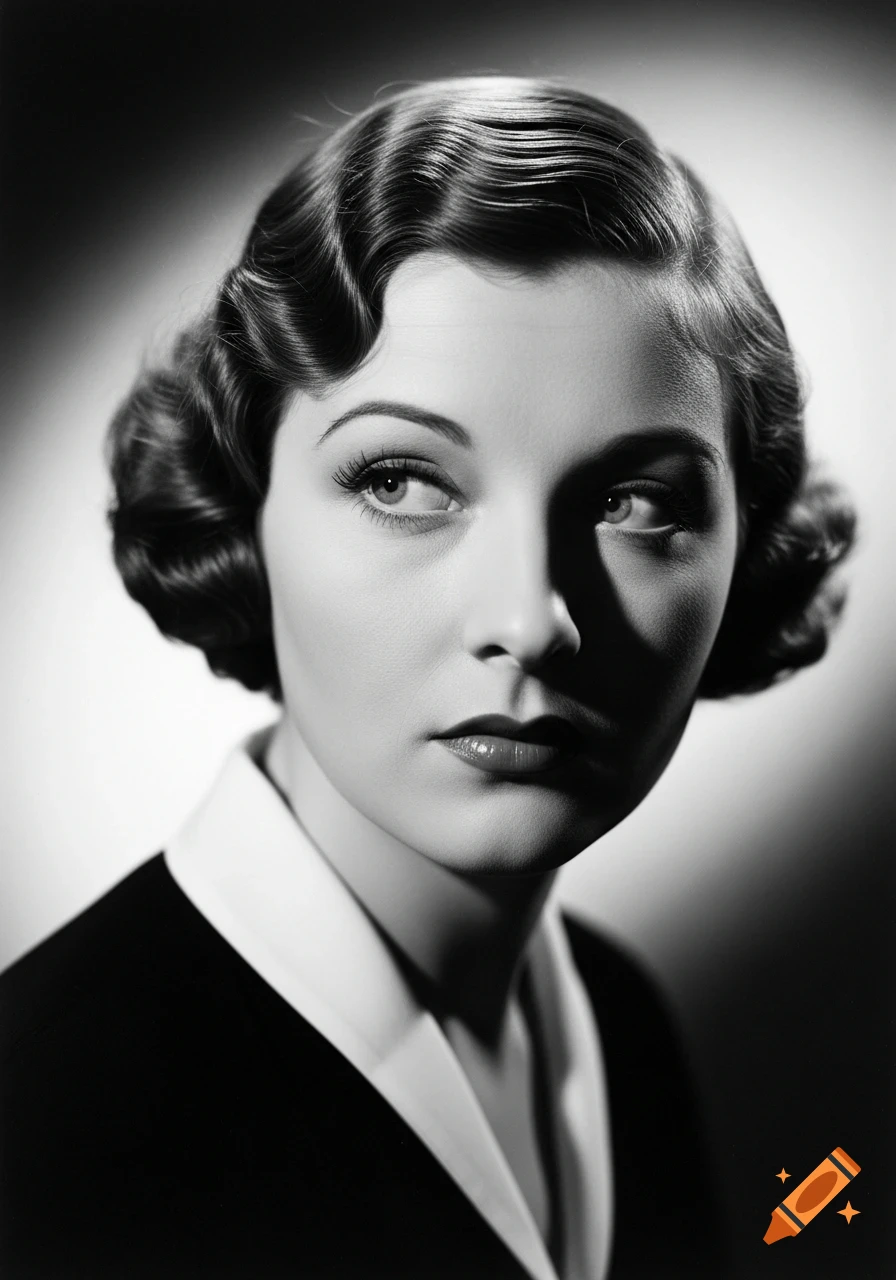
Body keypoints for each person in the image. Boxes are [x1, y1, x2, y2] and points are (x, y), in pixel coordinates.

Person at [0, 76, 855, 1280]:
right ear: (243, 509)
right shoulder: (44, 1127)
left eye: (633, 500)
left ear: (743, 543)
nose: (529, 619)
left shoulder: (625, 1024)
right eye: (400, 480)